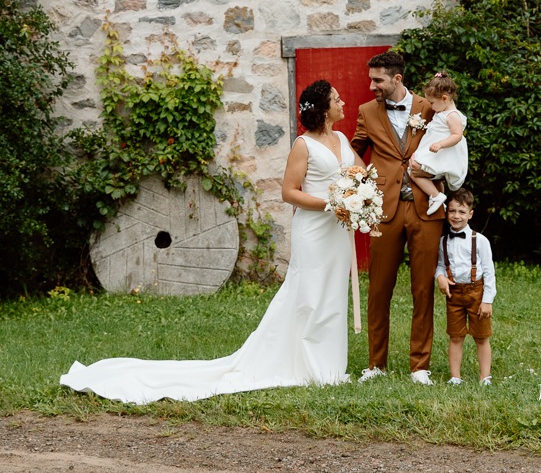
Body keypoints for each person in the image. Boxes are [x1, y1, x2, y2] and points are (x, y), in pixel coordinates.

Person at [60, 80, 365, 404]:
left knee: (332, 294)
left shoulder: (342, 139)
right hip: (315, 230)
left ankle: (331, 367)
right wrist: (332, 203)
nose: (343, 102)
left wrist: (358, 191)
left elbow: (359, 170)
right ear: (322, 108)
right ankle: (311, 367)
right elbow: (289, 192)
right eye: (336, 98)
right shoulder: (303, 145)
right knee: (310, 296)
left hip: (336, 231)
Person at [351, 50, 443, 385]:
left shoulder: (429, 108)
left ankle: (420, 366)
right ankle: (376, 364)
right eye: (371, 79)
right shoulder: (366, 112)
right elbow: (353, 152)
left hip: (426, 208)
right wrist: (360, 185)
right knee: (378, 288)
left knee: (423, 288)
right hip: (384, 209)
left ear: (397, 79)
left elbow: (451, 142)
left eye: (378, 80)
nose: (372, 85)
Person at [435, 188, 496, 386]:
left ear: (470, 214)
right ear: (446, 213)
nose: (456, 216)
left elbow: (489, 272)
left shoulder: (480, 241)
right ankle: (455, 377)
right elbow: (440, 265)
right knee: (455, 336)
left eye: (461, 212)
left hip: (476, 293)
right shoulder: (443, 241)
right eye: (452, 211)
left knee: (481, 337)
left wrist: (487, 301)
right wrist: (440, 277)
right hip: (454, 295)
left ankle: (485, 377)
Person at [410, 72, 468, 215]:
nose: (430, 106)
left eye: (431, 102)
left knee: (413, 171)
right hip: (434, 150)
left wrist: (440, 144)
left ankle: (436, 196)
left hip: (441, 152)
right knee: (414, 170)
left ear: (444, 98)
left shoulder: (452, 115)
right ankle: (437, 196)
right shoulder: (441, 112)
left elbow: (457, 135)